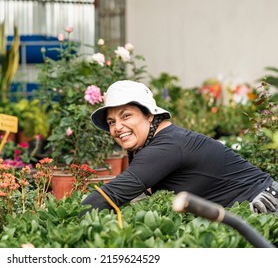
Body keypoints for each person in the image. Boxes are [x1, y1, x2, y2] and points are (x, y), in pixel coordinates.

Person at [81, 80, 278, 217]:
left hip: (266, 207)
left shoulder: (167, 146)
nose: (117, 127)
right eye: (111, 121)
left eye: (126, 116)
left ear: (149, 115)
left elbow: (111, 195)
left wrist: (63, 220)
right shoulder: (161, 140)